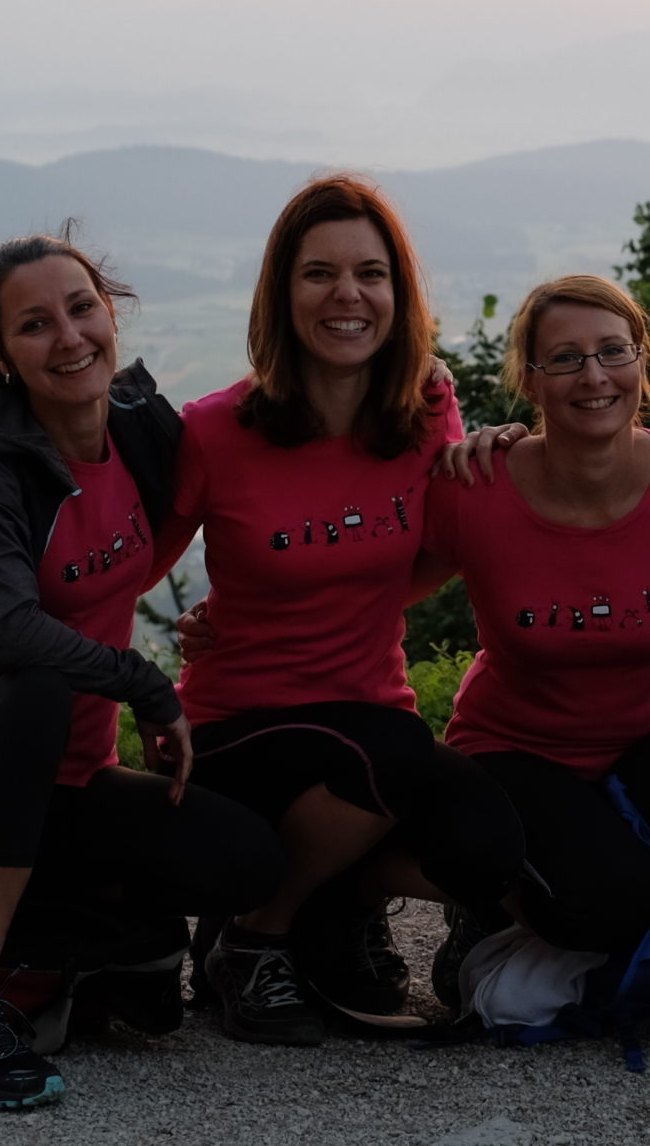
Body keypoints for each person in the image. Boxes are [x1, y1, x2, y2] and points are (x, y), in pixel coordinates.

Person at [0, 231, 283, 1108]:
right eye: (34, 324)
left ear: (111, 312)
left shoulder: (139, 428)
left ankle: (47, 940)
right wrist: (144, 681)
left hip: (81, 779)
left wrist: (445, 401)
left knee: (245, 862)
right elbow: (12, 632)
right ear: (1, 353)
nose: (68, 337)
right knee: (37, 686)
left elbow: (255, 471)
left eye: (82, 307)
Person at [166, 176, 525, 1044]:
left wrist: (517, 464)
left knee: (487, 848)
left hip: (368, 733)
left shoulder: (426, 409)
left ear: (398, 296)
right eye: (319, 273)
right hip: (239, 729)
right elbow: (121, 556)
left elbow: (442, 543)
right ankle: (255, 941)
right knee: (396, 754)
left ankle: (331, 904)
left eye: (370, 272)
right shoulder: (215, 430)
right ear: (282, 295)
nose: (347, 295)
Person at [426, 274, 650, 997]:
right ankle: (491, 910)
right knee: (604, 897)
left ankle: (630, 917)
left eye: (614, 350)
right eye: (566, 359)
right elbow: (373, 589)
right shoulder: (476, 488)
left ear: (643, 361)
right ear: (531, 381)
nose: (595, 375)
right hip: (511, 752)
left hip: (643, 745)